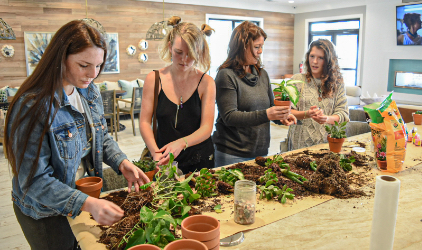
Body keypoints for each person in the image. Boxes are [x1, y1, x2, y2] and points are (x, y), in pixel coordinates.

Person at [5, 20, 150, 250]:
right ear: (60, 58)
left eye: (98, 66)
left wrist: (121, 162)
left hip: (84, 196)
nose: (92, 74)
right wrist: (87, 203)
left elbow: (100, 135)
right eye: (84, 65)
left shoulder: (89, 91)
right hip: (46, 212)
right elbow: (33, 180)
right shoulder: (32, 106)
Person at [213, 21, 296, 167]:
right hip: (231, 154)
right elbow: (229, 117)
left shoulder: (262, 74)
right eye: (256, 47)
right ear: (241, 47)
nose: (260, 51)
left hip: (260, 153)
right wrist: (267, 114)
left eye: (262, 47)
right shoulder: (226, 75)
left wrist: (280, 117)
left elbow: (269, 108)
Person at [139, 16, 216, 174]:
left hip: (199, 159)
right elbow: (145, 122)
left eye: (191, 54)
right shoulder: (154, 79)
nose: (185, 60)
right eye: (179, 52)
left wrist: (182, 143)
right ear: (169, 47)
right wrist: (155, 153)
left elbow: (207, 128)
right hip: (164, 160)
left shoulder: (206, 82)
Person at [283, 39, 349, 152]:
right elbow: (287, 112)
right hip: (298, 145)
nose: (314, 61)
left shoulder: (337, 83)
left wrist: (327, 119)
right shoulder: (297, 80)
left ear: (329, 61)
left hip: (327, 145)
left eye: (320, 58)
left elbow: (343, 114)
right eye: (312, 56)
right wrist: (307, 114)